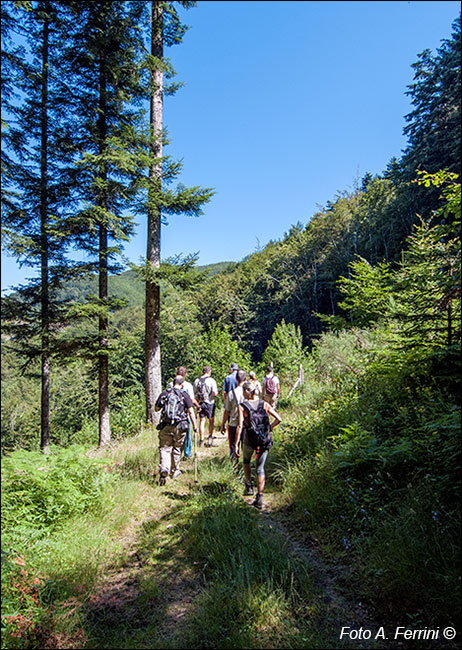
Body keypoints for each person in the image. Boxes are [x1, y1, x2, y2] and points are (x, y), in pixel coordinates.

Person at [234, 381, 282, 509]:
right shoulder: (264, 404)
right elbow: (279, 418)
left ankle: (249, 486)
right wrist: (269, 428)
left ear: (246, 392)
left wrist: (236, 444)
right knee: (260, 468)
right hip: (264, 440)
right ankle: (260, 497)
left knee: (246, 461)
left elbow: (239, 426)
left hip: (249, 440)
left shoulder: (242, 406)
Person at [155, 376, 198, 485]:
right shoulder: (184, 395)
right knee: (177, 448)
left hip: (166, 426)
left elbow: (156, 408)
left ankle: (164, 468)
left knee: (165, 448)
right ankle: (174, 470)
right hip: (180, 426)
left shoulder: (165, 394)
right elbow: (191, 411)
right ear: (182, 384)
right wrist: (194, 425)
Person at [220, 369, 247, 462]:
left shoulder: (232, 393)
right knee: (245, 446)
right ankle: (246, 466)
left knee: (233, 445)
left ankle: (234, 465)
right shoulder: (250, 393)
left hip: (233, 423)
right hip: (246, 424)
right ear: (246, 379)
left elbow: (227, 411)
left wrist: (223, 423)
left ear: (236, 379)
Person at [193, 366, 218, 447]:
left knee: (202, 421)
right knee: (211, 421)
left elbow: (194, 393)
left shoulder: (197, 381)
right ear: (209, 372)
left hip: (200, 403)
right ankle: (210, 438)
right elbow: (214, 393)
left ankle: (201, 440)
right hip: (209, 402)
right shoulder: (211, 380)